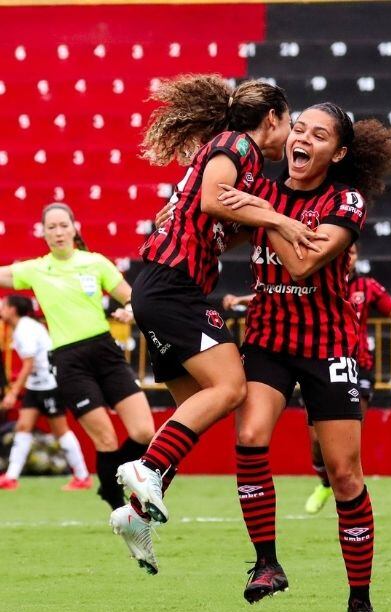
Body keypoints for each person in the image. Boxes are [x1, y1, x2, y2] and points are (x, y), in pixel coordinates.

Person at [218, 103, 391, 612]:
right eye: (298, 128)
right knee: (251, 436)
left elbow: (302, 264)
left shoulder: (344, 200)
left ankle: (359, 599)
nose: (303, 139)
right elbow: (221, 226)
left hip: (328, 346)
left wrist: (261, 213)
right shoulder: (265, 191)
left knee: (344, 475)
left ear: (337, 152)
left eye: (318, 135)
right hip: (267, 340)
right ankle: (266, 564)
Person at [113, 75, 327, 535]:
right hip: (174, 287)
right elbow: (211, 201)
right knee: (231, 387)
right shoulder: (237, 145)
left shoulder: (239, 162)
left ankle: (135, 514)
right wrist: (280, 220)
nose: (292, 135)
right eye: (290, 123)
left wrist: (260, 220)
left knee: (195, 409)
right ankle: (143, 468)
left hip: (162, 287)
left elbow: (210, 218)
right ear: (272, 118)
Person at [222, 243, 391, 515]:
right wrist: (241, 300)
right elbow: (279, 295)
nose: (349, 257)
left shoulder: (367, 288)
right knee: (317, 444)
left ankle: (349, 488)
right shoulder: (316, 277)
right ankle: (325, 483)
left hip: (357, 367)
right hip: (320, 362)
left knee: (346, 442)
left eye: (354, 252)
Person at [0, 203, 155, 511]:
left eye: (63, 225)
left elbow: (131, 297)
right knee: (106, 440)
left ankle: (116, 476)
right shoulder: (36, 269)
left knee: (144, 432)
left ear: (74, 228)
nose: (58, 232)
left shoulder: (95, 263)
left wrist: (130, 309)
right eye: (51, 227)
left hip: (105, 352)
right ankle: (116, 504)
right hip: (70, 362)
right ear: (43, 233)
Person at [0, 294, 91, 491]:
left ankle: (83, 476)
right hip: (36, 385)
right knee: (23, 427)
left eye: (4, 306)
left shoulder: (25, 329)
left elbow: (29, 363)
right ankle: (11, 477)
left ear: (13, 310)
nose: (1, 309)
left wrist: (13, 393)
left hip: (50, 385)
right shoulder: (24, 326)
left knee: (61, 430)